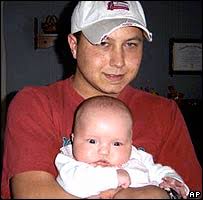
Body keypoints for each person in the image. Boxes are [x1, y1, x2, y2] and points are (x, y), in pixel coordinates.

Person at [1, 1, 201, 199]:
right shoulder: (35, 104)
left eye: (130, 44)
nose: (118, 61)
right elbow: (33, 194)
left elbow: (195, 193)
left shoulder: (165, 112)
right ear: (74, 46)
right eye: (104, 43)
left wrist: (166, 195)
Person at [55, 95, 189, 199]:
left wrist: (172, 179)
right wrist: (113, 177)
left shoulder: (135, 156)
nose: (104, 151)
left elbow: (157, 170)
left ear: (130, 143)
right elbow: (73, 182)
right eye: (92, 141)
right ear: (73, 139)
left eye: (116, 144)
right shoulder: (68, 159)